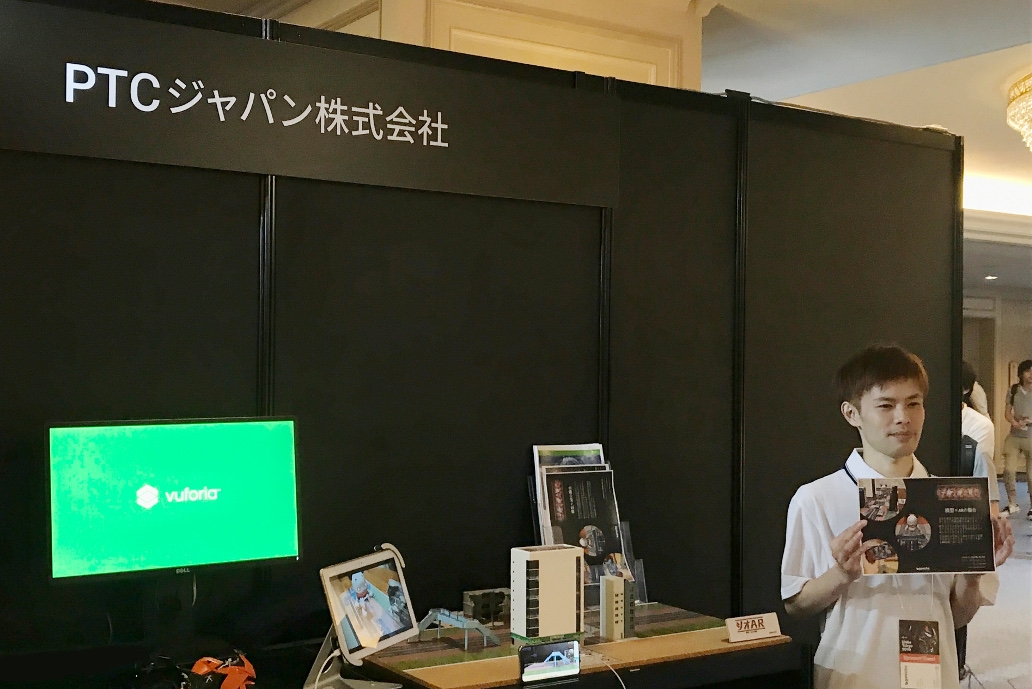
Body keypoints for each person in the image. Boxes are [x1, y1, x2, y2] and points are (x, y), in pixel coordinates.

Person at [781, 344, 1014, 689]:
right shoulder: (817, 498)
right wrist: (841, 574)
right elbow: (796, 604)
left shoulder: (949, 500)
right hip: (852, 675)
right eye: (886, 405)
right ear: (852, 413)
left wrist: (973, 575)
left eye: (913, 403)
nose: (903, 417)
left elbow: (957, 616)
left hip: (933, 676)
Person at [1001, 359, 1032, 517]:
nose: (1031, 375)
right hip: (1015, 434)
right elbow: (1007, 412)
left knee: (1031, 475)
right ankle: (1012, 503)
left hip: (1031, 435)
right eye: (1028, 371)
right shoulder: (1013, 390)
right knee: (1009, 470)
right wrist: (1014, 422)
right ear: (1021, 373)